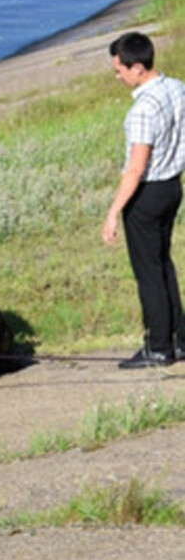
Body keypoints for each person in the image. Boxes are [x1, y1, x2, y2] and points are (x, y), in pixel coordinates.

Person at [103, 31, 185, 369]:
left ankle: (158, 347)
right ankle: (179, 339)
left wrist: (113, 213)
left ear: (137, 67)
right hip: (173, 186)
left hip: (147, 194)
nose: (117, 76)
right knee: (163, 263)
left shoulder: (142, 109)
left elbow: (135, 168)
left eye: (119, 70)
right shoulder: (177, 88)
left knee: (148, 272)